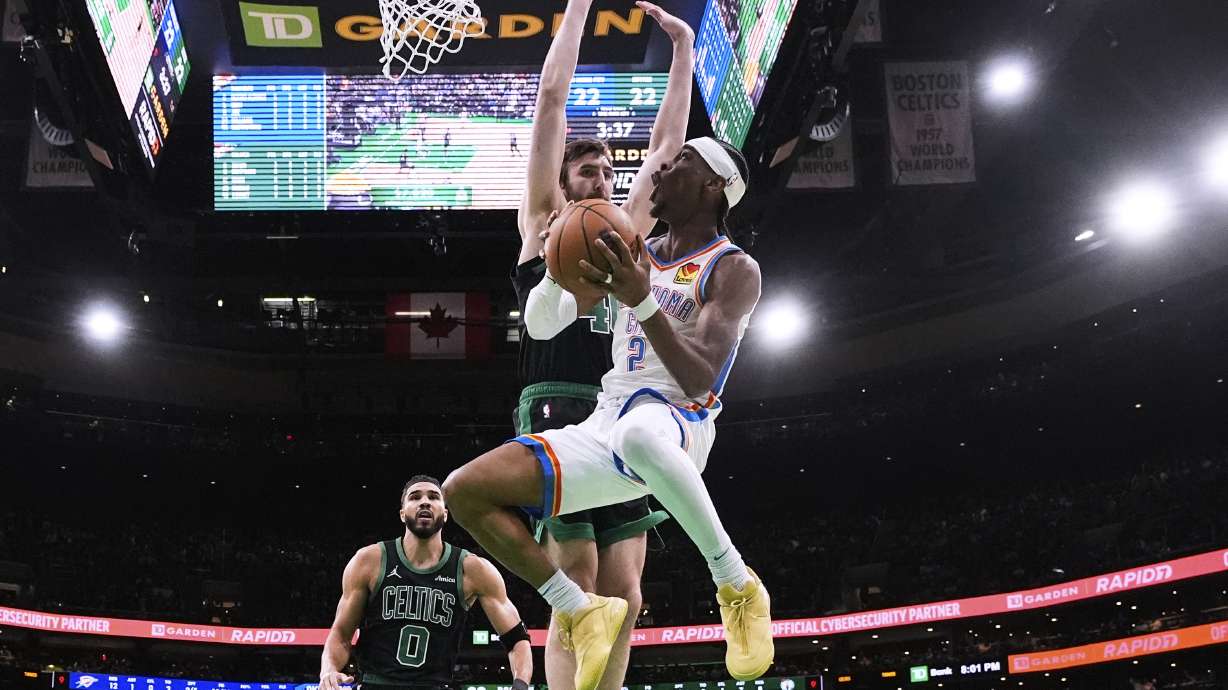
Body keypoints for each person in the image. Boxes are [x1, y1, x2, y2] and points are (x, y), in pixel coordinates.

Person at [446, 136, 772, 690]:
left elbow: (699, 380)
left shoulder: (732, 269)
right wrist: (554, 268)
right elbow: (542, 325)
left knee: (640, 436)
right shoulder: (630, 247)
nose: (664, 168)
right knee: (465, 490)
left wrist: (643, 300)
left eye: (682, 162)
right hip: (608, 418)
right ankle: (576, 607)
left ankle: (735, 581)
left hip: (680, 421)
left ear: (713, 187)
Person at [507, 1, 695, 689]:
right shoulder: (542, 223)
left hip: (621, 408)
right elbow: (551, 99)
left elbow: (666, 152)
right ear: (562, 183)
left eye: (607, 169)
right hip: (557, 402)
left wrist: (684, 50)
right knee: (578, 586)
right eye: (585, 169)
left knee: (628, 597)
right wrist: (580, 6)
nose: (600, 175)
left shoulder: (628, 232)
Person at [319, 476, 532, 690]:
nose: (425, 502)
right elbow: (341, 634)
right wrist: (328, 669)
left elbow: (517, 638)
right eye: (415, 497)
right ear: (402, 514)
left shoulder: (472, 569)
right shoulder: (369, 561)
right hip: (376, 683)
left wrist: (521, 685)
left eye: (433, 497)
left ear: (446, 514)